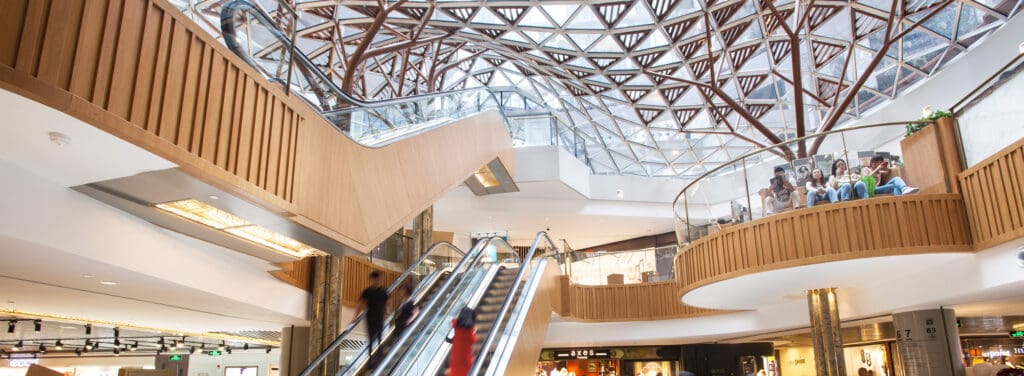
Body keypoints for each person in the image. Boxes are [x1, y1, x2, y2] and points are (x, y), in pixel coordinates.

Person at [352, 270, 388, 354]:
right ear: (372, 279)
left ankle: (379, 354)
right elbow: (360, 304)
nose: (378, 280)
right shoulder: (367, 291)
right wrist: (354, 317)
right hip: (370, 317)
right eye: (376, 278)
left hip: (380, 317)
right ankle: (371, 356)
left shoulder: (384, 291)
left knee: (380, 336)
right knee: (371, 337)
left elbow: (387, 304)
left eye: (379, 278)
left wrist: (386, 314)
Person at [448, 306, 477, 376]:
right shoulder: (469, 330)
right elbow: (473, 340)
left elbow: (453, 322)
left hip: (455, 357)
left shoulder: (456, 326)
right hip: (465, 357)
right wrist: (474, 331)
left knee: (456, 372)